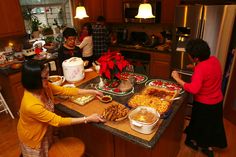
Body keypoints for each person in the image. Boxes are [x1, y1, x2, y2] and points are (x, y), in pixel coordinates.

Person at [17, 61, 105, 157]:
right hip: (34, 137)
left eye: (48, 75)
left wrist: (92, 91)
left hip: (45, 130)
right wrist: (87, 119)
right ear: (34, 80)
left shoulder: (45, 87)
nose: (48, 79)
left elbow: (64, 90)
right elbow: (58, 121)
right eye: (45, 77)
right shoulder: (31, 105)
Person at [171, 39, 227, 157]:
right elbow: (209, 73)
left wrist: (177, 78)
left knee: (202, 125)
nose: (189, 57)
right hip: (217, 102)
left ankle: (203, 146)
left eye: (190, 56)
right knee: (211, 125)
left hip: (204, 104)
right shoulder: (214, 60)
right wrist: (195, 67)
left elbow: (193, 89)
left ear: (196, 58)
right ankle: (202, 142)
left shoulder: (200, 69)